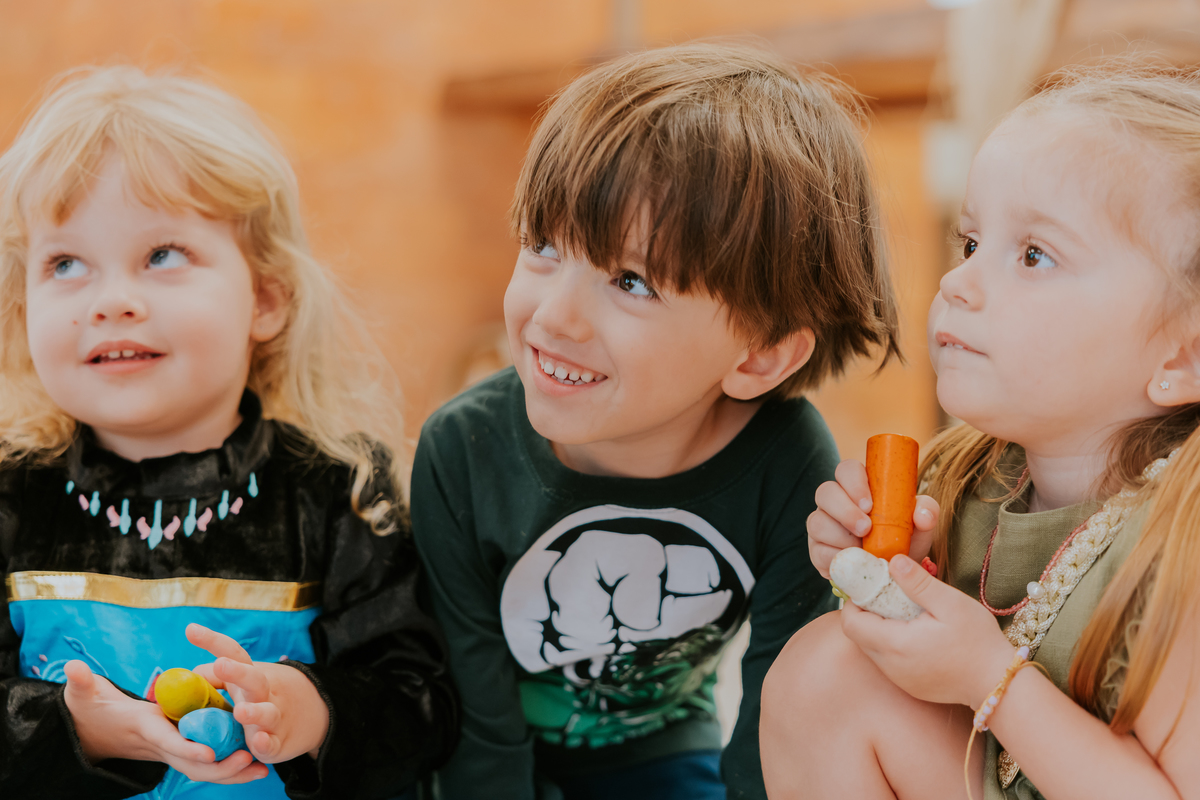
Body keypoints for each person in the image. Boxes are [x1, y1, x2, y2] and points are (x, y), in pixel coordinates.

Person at [410, 43, 900, 800]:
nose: (554, 316)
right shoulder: (460, 449)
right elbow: (475, 721)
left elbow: (776, 716)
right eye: (544, 246)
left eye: (631, 281)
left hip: (660, 757)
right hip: (482, 760)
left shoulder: (787, 460)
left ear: (760, 355)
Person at [0, 66, 459, 799]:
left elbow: (421, 707)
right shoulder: (12, 495)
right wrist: (80, 730)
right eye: (66, 263)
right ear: (24, 310)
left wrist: (311, 711)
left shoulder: (336, 490)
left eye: (162, 255)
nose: (112, 301)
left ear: (266, 299)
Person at [762, 64, 1200, 800]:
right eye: (970, 243)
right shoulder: (965, 484)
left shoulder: (1181, 550)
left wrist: (987, 676)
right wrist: (893, 583)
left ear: (1183, 356)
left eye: (1034, 255)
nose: (956, 283)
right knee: (829, 673)